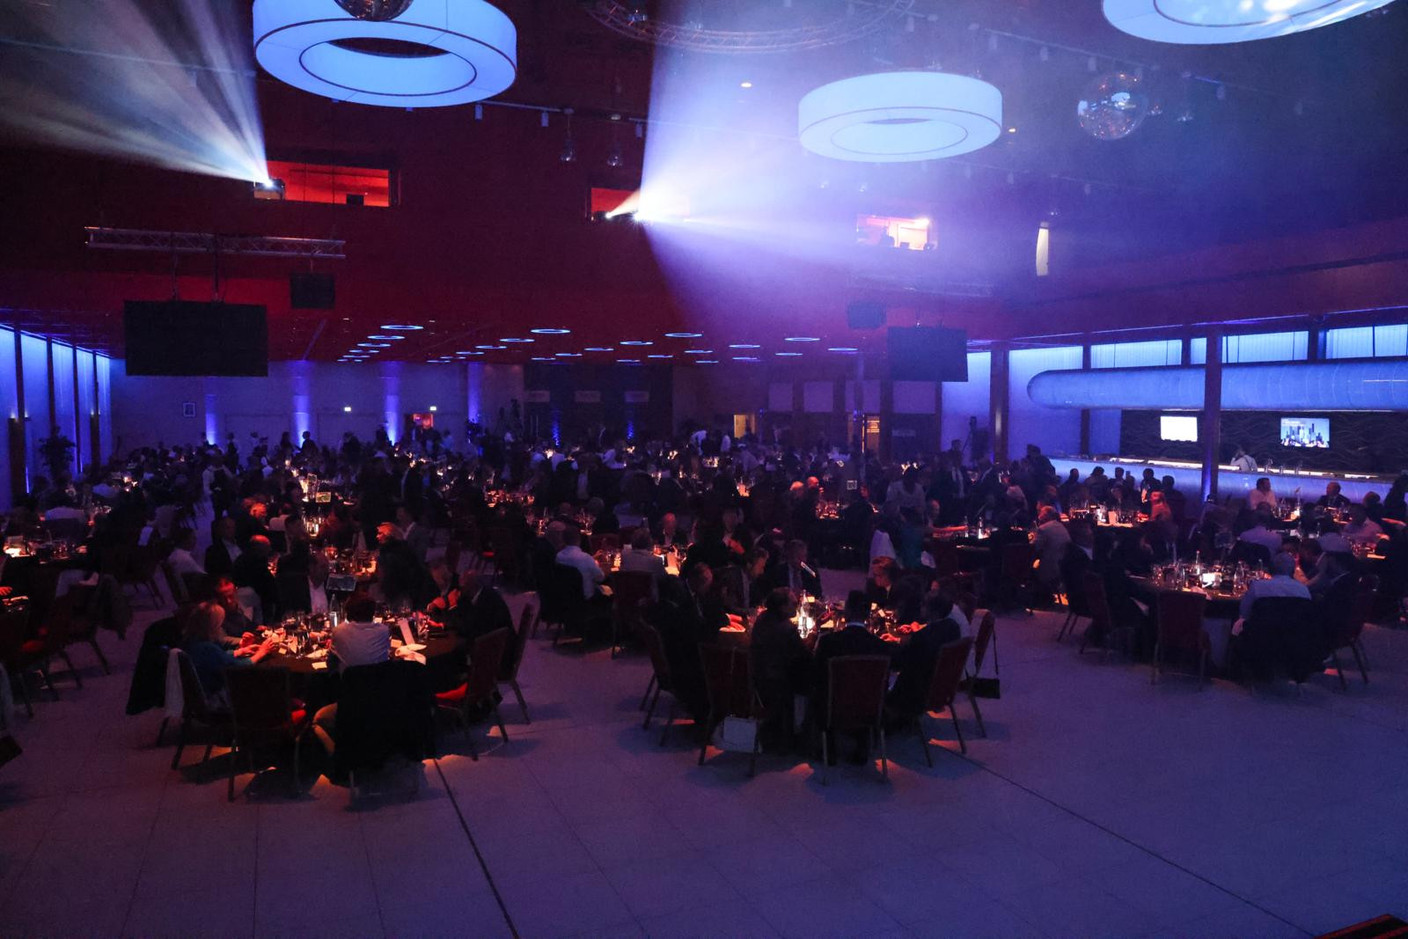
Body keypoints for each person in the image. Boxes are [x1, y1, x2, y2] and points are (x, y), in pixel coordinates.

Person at [813, 590, 893, 764]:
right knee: (864, 688)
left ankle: (827, 746)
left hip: (833, 707)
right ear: (867, 615)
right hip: (870, 708)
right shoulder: (881, 647)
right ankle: (862, 742)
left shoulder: (829, 643)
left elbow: (816, 673)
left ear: (846, 611)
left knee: (819, 688)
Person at [312, 593, 392, 755]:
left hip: (351, 706)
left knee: (317, 720)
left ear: (348, 613)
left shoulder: (339, 632)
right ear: (372, 612)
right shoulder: (384, 631)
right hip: (382, 702)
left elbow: (331, 666)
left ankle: (341, 756)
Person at [748, 588, 812, 751]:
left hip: (757, 678)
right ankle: (805, 736)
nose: (796, 607)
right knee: (815, 681)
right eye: (793, 603)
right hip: (777, 682)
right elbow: (804, 655)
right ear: (782, 607)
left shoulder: (762, 619)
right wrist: (812, 640)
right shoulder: (786, 628)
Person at [886, 594, 965, 722]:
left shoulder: (923, 637)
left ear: (933, 612)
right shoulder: (953, 627)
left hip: (917, 691)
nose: (921, 608)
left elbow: (899, 662)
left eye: (924, 605)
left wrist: (883, 646)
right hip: (939, 687)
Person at [181, 602, 275, 705]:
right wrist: (262, 652)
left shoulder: (193, 642)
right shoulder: (206, 648)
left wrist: (239, 651)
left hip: (209, 694)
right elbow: (239, 668)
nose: (220, 628)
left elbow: (218, 658)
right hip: (218, 698)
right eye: (219, 624)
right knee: (265, 682)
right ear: (212, 626)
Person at [1237, 551, 1311, 622]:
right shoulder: (1303, 590)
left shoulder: (1257, 587)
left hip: (1260, 632)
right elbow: (1306, 618)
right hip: (1292, 633)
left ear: (1270, 569)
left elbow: (1244, 614)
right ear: (1293, 571)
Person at [451, 567, 514, 645]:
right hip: (482, 641)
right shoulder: (467, 596)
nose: (459, 589)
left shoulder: (490, 601)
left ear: (473, 587)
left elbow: (482, 633)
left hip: (499, 647)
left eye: (463, 586)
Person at [231, 535, 279, 625]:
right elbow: (265, 583)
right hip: (248, 593)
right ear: (259, 548)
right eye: (267, 547)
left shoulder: (243, 557)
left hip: (247, 590)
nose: (269, 549)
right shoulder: (255, 560)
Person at [555, 525, 606, 600]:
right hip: (587, 599)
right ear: (579, 539)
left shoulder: (558, 556)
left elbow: (573, 564)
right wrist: (595, 563)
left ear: (563, 539)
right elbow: (600, 578)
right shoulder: (585, 558)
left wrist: (592, 558)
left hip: (565, 598)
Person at [1032, 506, 1070, 593]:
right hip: (1063, 566)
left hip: (1049, 567)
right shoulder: (1061, 526)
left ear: (1044, 516)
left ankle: (1038, 596)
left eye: (1040, 513)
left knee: (1029, 565)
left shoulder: (1043, 529)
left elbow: (1035, 548)